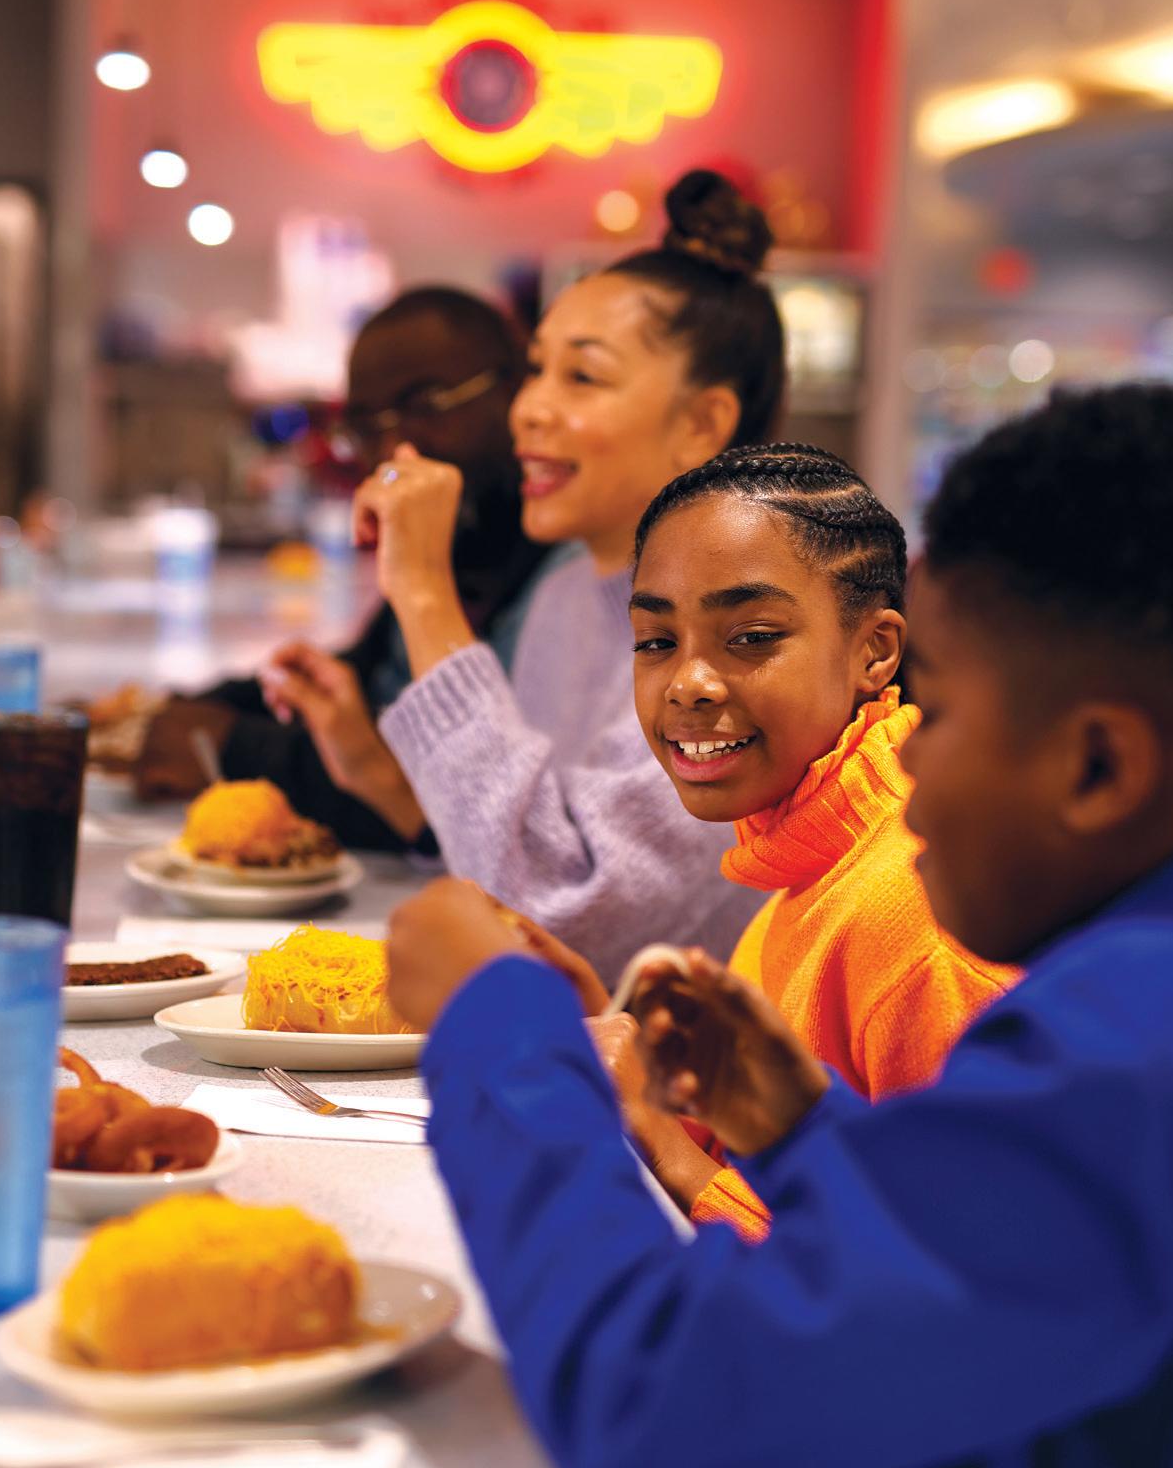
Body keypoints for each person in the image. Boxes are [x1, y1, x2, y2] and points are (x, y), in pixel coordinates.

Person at [387, 382, 1173, 1468]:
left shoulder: (1138, 1054)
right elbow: (981, 1285)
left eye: (941, 712)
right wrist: (812, 1139)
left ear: (1100, 765)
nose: (908, 772)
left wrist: (494, 1024)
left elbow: (649, 1398)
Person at [270, 170, 786, 979]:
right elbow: (517, 852)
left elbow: (564, 917)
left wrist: (424, 591)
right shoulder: (564, 592)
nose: (529, 409)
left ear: (701, 423)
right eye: (536, 370)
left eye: (582, 377)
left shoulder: (743, 644)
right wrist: (374, 771)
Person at [600, 441, 1018, 1238]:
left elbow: (946, 1272)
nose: (687, 682)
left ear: (875, 651)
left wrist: (670, 1154)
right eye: (656, 641)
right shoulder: (807, 859)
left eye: (751, 636)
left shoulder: (916, 919)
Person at [138, 286, 554, 851]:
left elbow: (492, 804)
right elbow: (366, 684)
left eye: (426, 405)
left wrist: (236, 747)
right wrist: (198, 708)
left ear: (518, 389)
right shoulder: (473, 554)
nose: (394, 452)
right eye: (366, 426)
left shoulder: (572, 575)